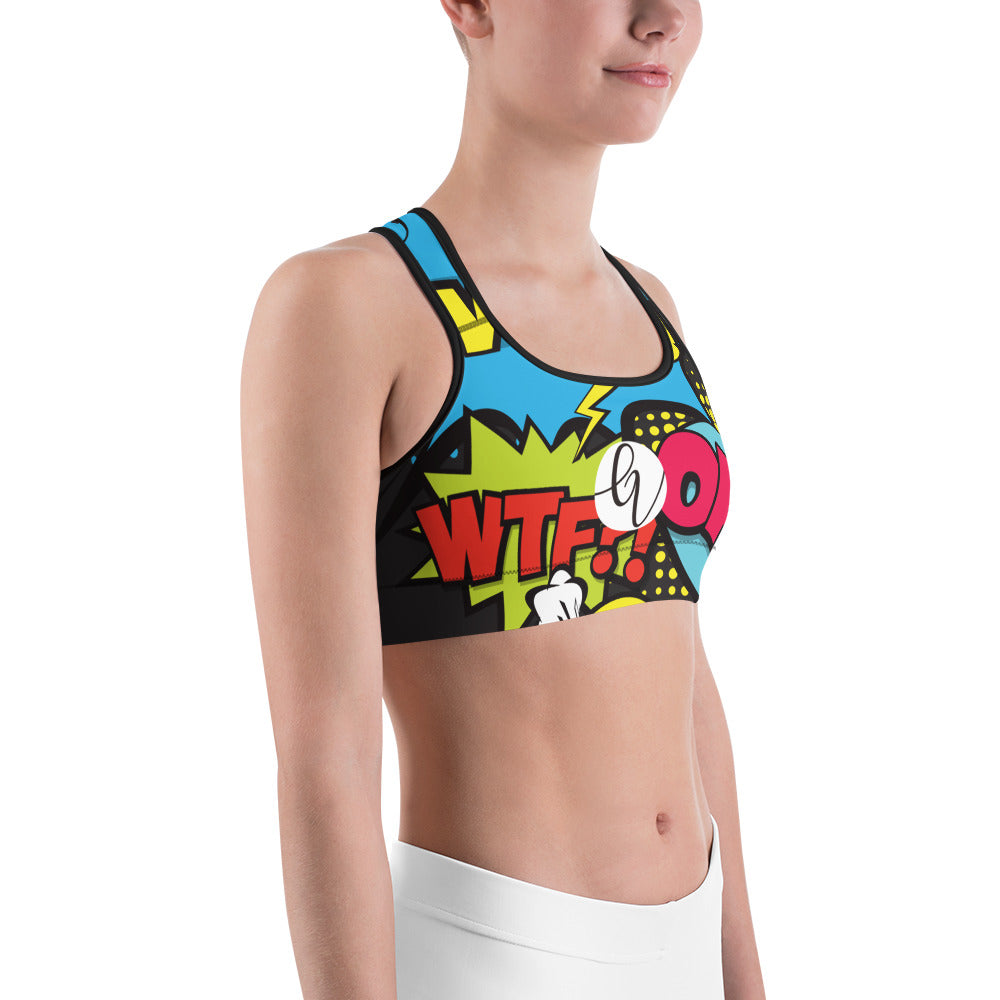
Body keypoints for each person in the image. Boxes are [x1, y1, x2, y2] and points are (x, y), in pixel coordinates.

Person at [240, 1, 765, 997]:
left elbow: (684, 674)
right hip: (496, 958)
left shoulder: (653, 310)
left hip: (688, 945)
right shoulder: (350, 306)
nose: (663, 19)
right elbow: (326, 758)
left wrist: (743, 976)